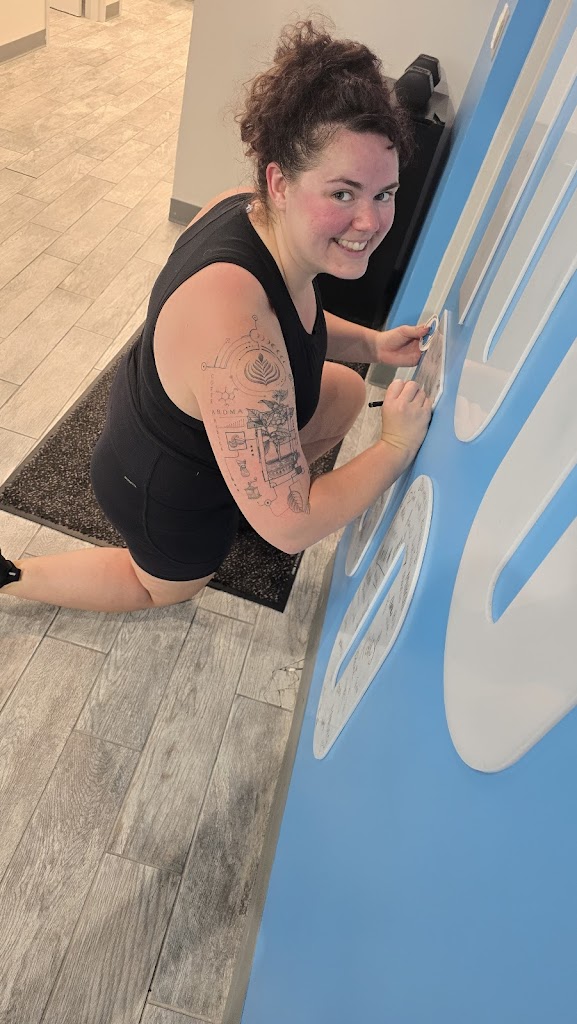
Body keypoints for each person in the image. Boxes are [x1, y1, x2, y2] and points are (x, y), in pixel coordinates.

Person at [0, 19, 432, 613]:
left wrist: (376, 346)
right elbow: (292, 528)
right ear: (281, 182)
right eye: (343, 193)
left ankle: (255, 494)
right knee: (165, 589)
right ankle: (11, 574)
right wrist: (395, 446)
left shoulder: (246, 209)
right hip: (163, 487)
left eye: (384, 194)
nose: (372, 221)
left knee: (344, 391)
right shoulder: (233, 326)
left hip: (163, 413)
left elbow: (295, 326)